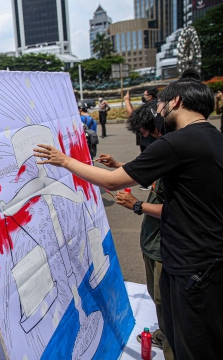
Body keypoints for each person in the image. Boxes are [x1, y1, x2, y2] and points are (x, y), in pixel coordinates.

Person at [34, 74, 223, 359]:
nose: (158, 112)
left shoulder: (177, 142)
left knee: (192, 346)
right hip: (207, 260)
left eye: (160, 105)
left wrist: (65, 160)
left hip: (191, 264)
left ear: (176, 101)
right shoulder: (211, 136)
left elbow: (113, 182)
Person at [97, 101, 173, 360]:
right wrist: (118, 163)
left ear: (156, 128)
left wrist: (138, 205)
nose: (142, 137)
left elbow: (181, 210)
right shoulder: (168, 149)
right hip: (153, 241)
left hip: (165, 244)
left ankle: (170, 341)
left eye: (143, 132)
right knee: (157, 295)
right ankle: (164, 332)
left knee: (165, 300)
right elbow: (153, 176)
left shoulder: (176, 149)